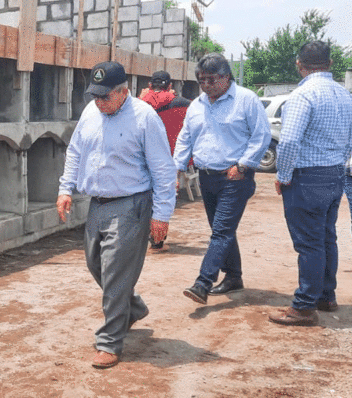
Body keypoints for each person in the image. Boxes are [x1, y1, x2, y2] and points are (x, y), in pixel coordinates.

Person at [57, 61, 176, 369]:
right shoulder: (90, 113)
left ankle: (109, 341)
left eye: (105, 96)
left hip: (131, 204)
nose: (99, 102)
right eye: (95, 96)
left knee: (115, 272)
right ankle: (132, 307)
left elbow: (163, 170)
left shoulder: (144, 118)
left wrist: (161, 216)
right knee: (96, 263)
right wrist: (65, 189)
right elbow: (75, 151)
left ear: (124, 92)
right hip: (97, 203)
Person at [174, 53, 271, 305]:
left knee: (221, 232)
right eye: (201, 80)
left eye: (211, 80)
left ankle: (202, 283)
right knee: (222, 230)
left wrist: (243, 165)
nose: (206, 85)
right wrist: (178, 167)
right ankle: (234, 277)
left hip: (234, 178)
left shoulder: (246, 100)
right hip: (207, 177)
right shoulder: (197, 105)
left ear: (226, 77)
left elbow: (261, 136)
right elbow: (186, 137)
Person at [269, 41, 352, 326]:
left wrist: (283, 175)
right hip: (334, 173)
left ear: (299, 65)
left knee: (309, 244)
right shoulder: (345, 95)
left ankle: (304, 305)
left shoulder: (302, 96)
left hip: (307, 177)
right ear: (330, 64)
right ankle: (325, 296)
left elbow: (290, 140)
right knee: (327, 237)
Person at [141, 71, 192, 251]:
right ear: (170, 86)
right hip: (169, 159)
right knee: (164, 197)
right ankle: (157, 239)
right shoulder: (182, 104)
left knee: (145, 196)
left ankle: (144, 234)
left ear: (149, 85)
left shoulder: (138, 104)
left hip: (142, 158)